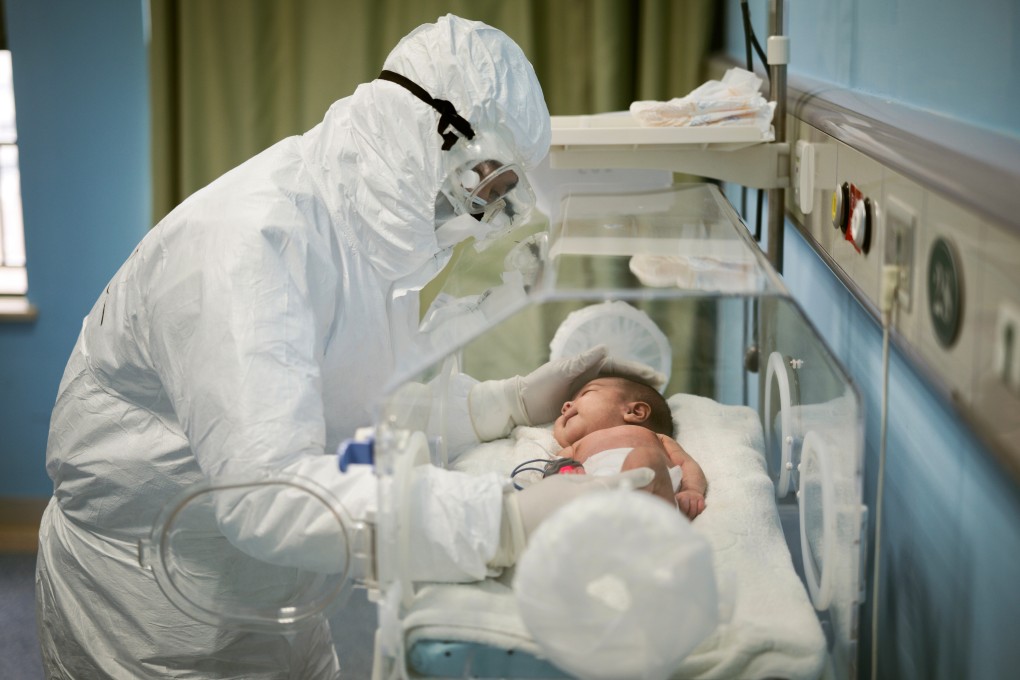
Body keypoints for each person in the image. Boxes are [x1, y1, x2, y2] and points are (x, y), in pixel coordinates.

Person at [35, 15, 656, 680]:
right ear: (434, 132)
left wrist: (493, 406)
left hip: (278, 587)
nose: (487, 211)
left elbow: (350, 399)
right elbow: (266, 496)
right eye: (490, 182)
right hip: (153, 603)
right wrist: (497, 523)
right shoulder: (249, 244)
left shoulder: (370, 236)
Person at [549, 375, 709, 519]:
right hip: (596, 495)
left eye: (585, 393)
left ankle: (638, 520)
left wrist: (691, 490)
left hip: (651, 494)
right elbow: (551, 473)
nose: (566, 405)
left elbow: (686, 464)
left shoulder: (653, 437)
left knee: (646, 457)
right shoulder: (575, 447)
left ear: (636, 412)